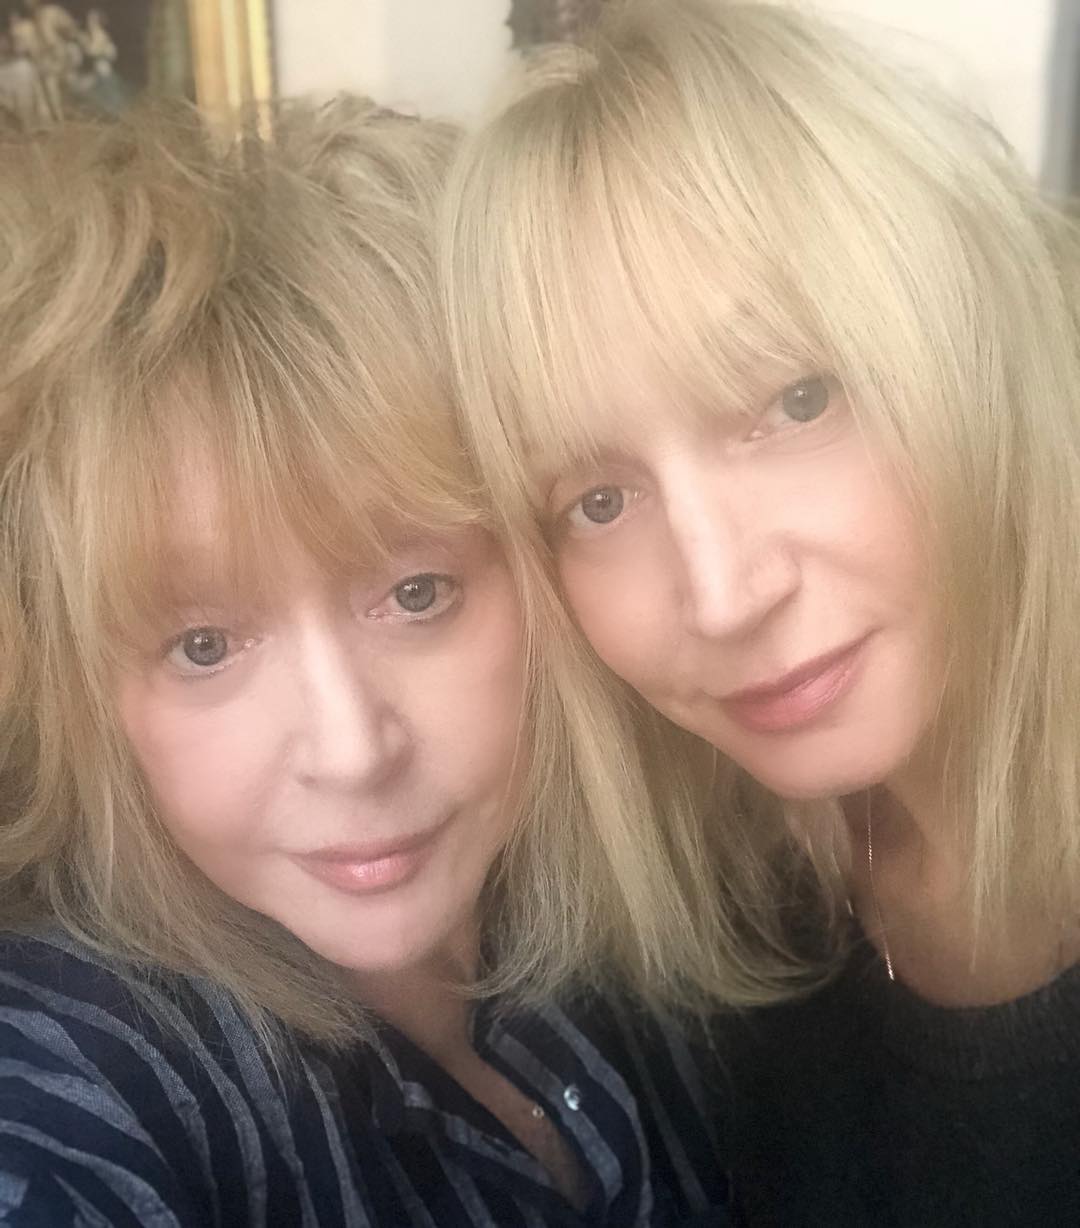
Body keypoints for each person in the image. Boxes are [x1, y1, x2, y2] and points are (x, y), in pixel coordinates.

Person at [0, 100, 731, 1225]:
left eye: (417, 593)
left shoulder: (652, 909)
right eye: (204, 646)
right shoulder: (87, 1074)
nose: (352, 752)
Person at [441, 0, 1080, 1222]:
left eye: (795, 401)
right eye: (599, 500)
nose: (724, 595)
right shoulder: (733, 898)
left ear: (974, 338)